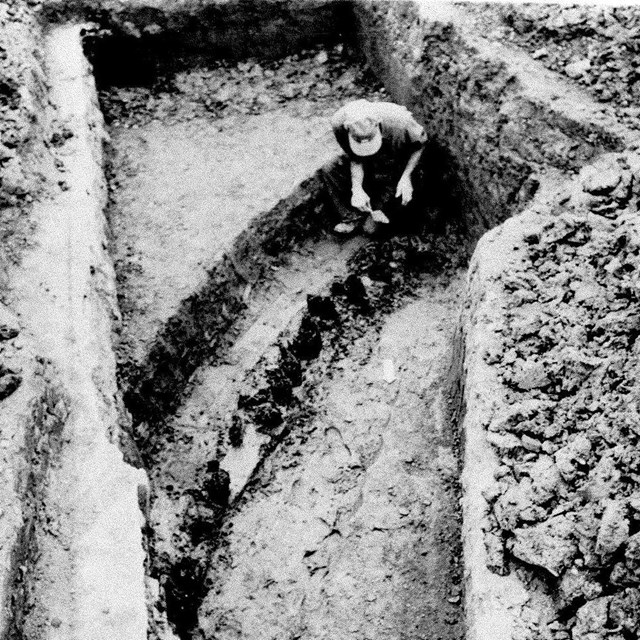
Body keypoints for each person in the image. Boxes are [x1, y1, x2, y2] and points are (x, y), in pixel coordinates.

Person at [323, 99, 427, 235]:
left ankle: (382, 204)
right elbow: (355, 158)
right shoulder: (339, 124)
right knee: (330, 168)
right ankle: (352, 216)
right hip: (367, 164)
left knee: (370, 229)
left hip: (394, 164)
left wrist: (406, 176)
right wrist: (357, 189)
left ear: (377, 124)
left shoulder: (400, 122)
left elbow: (420, 145)